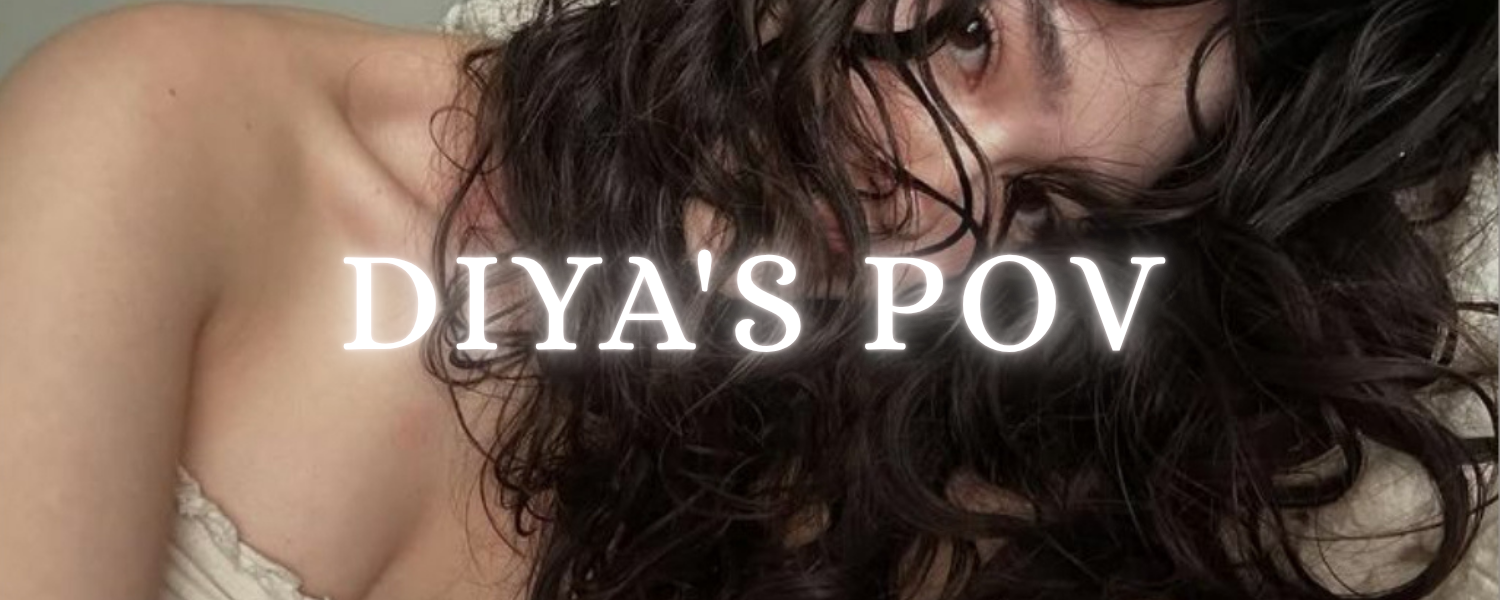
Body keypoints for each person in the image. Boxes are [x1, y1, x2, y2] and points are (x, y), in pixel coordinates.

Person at [0, 0, 1493, 599]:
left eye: (1045, 209)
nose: (935, 226)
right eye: (967, 37)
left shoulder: (917, 503)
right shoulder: (174, 132)